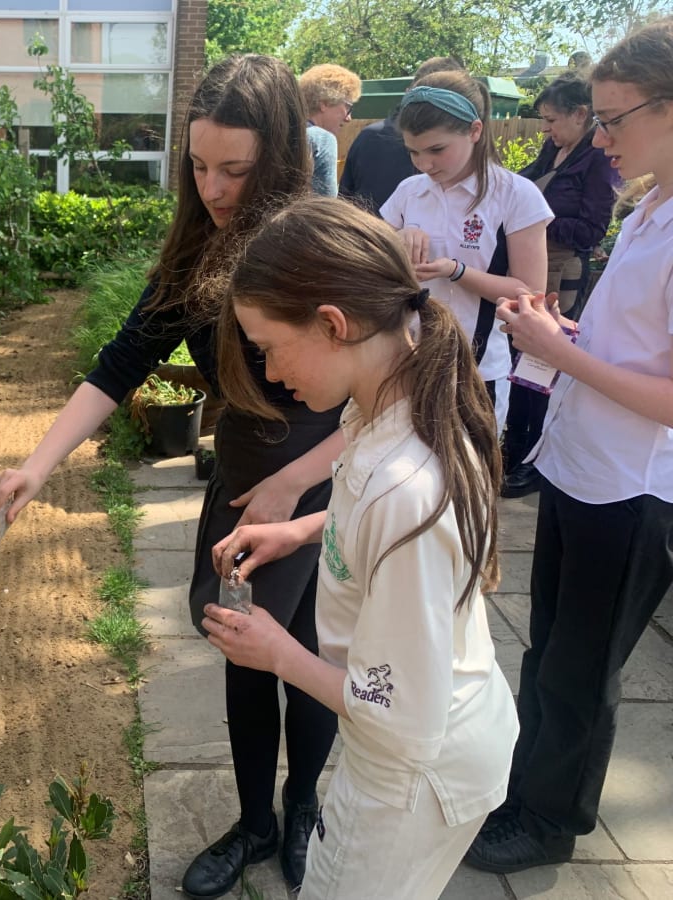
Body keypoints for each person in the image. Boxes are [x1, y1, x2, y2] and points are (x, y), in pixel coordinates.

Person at [0, 55, 344, 897]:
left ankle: (303, 812)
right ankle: (254, 822)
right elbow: (118, 366)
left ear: (284, 157)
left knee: (320, 655)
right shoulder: (195, 251)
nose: (213, 188)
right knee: (247, 654)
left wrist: (299, 486)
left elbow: (393, 399)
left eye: (235, 169)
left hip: (329, 481)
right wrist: (37, 464)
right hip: (244, 481)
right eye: (197, 165)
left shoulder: (323, 247)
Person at [202, 195, 518, 900]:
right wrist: (301, 528)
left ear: (333, 324)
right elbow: (374, 526)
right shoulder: (385, 407)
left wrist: (275, 652)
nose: (269, 373)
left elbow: (402, 718)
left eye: (268, 349)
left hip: (409, 772)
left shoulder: (406, 484)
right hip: (432, 739)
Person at [465, 16, 673, 874]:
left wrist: (558, 353)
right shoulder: (654, 202)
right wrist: (568, 336)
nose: (603, 137)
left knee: (580, 671)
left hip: (634, 489)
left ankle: (551, 823)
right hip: (583, 468)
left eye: (616, 118)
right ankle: (524, 792)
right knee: (547, 650)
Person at [380, 70, 552, 425]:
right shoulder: (410, 191)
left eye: (437, 150)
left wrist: (456, 271)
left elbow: (529, 294)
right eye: (413, 152)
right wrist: (397, 240)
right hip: (405, 361)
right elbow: (373, 266)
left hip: (475, 371)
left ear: (475, 131)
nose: (424, 164)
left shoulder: (515, 195)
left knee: (469, 476)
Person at [500, 72, 619, 498]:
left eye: (551, 119)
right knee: (519, 365)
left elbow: (591, 229)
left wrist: (537, 219)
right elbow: (519, 184)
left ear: (580, 114)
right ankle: (514, 450)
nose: (545, 128)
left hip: (561, 277)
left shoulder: (599, 159)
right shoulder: (554, 148)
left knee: (542, 368)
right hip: (530, 268)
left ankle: (532, 458)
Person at [339, 56, 465, 213]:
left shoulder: (368, 137)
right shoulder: (372, 138)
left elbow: (344, 207)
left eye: (436, 149)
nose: (425, 164)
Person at [299, 64, 362, 197]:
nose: (348, 118)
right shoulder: (322, 139)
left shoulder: (281, 133)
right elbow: (325, 204)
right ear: (325, 103)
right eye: (347, 107)